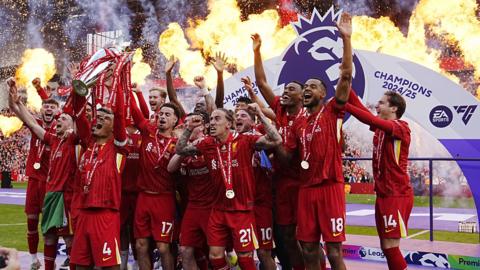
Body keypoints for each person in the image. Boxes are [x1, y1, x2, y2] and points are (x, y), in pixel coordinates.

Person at [277, 12, 353, 270]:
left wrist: (346, 39)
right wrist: (273, 140)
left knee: (333, 251)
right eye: (305, 87)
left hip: (330, 188)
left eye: (313, 86)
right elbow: (288, 158)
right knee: (308, 249)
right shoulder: (298, 122)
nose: (307, 89)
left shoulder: (332, 110)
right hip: (306, 191)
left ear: (324, 93)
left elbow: (345, 76)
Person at [176, 105, 282, 270]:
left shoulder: (245, 140)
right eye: (210, 119)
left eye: (217, 119)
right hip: (218, 210)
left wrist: (260, 114)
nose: (212, 123)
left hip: (242, 211)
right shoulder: (207, 143)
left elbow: (276, 140)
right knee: (215, 256)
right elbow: (180, 149)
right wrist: (189, 128)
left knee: (244, 258)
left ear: (229, 123)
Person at [251, 32, 306, 270]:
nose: (283, 91)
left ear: (301, 96)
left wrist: (273, 142)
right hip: (281, 183)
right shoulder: (282, 113)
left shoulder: (304, 119)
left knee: (304, 239)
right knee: (285, 237)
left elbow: (285, 155)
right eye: (283, 88)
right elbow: (262, 83)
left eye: (290, 89)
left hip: (301, 184)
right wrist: (256, 51)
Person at [8, 81, 76, 270]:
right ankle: (38, 262)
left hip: (60, 191)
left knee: (67, 235)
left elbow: (76, 118)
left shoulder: (71, 139)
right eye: (46, 106)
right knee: (46, 232)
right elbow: (27, 119)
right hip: (44, 187)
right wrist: (15, 99)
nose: (59, 119)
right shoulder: (51, 137)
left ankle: (73, 263)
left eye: (62, 117)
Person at [346, 90, 413, 270]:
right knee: (386, 246)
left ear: (394, 108)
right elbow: (367, 115)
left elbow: (370, 119)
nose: (377, 105)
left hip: (396, 194)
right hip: (384, 194)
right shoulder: (382, 127)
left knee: (391, 246)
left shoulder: (401, 127)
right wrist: (347, 87)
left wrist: (343, 104)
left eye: (381, 103)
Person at [69, 76, 128, 269]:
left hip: (106, 214)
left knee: (110, 266)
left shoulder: (118, 147)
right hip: (84, 213)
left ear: (113, 127)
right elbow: (78, 114)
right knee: (79, 265)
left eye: (106, 118)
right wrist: (79, 86)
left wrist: (115, 88)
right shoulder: (88, 143)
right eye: (98, 117)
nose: (100, 119)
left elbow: (119, 116)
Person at [130, 95, 180, 270]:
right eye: (161, 114)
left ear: (175, 120)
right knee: (141, 245)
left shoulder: (177, 144)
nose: (163, 117)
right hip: (143, 198)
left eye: (167, 114)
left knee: (163, 247)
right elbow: (135, 111)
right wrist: (125, 84)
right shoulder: (148, 130)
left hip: (164, 199)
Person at [234, 79, 276, 270]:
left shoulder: (259, 134)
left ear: (253, 121)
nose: (238, 118)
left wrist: (256, 102)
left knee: (264, 251)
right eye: (236, 115)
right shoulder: (230, 140)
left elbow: (275, 136)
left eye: (243, 114)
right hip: (241, 206)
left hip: (262, 203)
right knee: (244, 251)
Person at [167, 112, 213, 270]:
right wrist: (184, 150)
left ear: (204, 126)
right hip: (192, 207)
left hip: (213, 207)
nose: (189, 125)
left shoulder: (210, 143)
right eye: (186, 123)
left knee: (215, 253)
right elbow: (171, 168)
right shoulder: (184, 149)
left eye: (194, 122)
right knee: (185, 250)